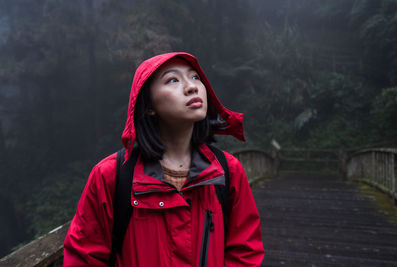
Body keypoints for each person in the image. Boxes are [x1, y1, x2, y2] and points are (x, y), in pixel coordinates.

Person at [63, 52, 264, 266]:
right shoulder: (111, 176)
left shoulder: (227, 171)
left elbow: (245, 253)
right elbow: (83, 258)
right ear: (149, 105)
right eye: (173, 80)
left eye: (195, 77)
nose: (192, 87)